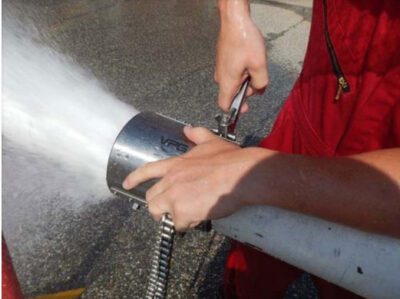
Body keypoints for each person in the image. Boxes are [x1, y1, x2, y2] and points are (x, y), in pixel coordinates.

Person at [123, 0, 400, 297]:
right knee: (251, 263)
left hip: (385, 186)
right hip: (318, 102)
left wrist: (256, 175)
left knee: (357, 274)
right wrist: (234, 15)